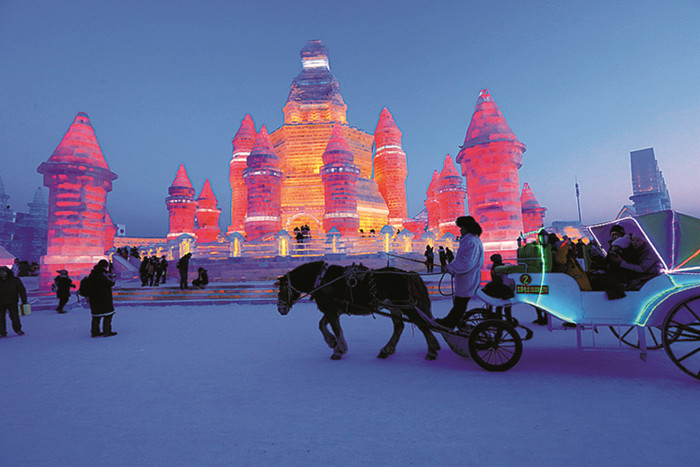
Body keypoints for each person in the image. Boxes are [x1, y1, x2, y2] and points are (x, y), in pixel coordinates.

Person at [435, 216, 484, 329]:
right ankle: (451, 321)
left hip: (468, 279)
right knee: (459, 304)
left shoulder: (471, 242)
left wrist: (451, 267)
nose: (460, 230)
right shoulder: (471, 240)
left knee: (460, 305)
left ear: (467, 228)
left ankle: (449, 323)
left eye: (462, 227)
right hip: (466, 278)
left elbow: (466, 262)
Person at [87, 259, 117, 337]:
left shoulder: (92, 274)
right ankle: (107, 331)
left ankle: (95, 332)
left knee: (96, 316)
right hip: (103, 298)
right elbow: (109, 283)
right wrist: (113, 278)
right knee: (107, 315)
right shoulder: (101, 275)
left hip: (94, 298)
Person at [0, 266, 27, 337]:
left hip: (12, 302)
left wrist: (24, 300)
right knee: (0, 318)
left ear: (7, 272)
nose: (1, 273)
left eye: (3, 271)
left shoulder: (15, 280)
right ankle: (2, 332)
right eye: (0, 272)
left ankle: (18, 329)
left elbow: (21, 290)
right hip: (1, 303)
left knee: (14, 317)